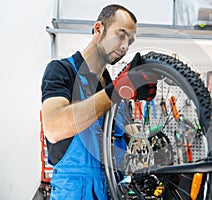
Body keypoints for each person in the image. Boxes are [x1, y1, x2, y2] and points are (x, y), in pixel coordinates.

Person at [41, 4, 158, 199]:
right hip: (75, 192)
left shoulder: (112, 86)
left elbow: (128, 139)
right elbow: (53, 128)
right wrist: (117, 90)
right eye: (121, 35)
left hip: (111, 190)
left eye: (130, 41)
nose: (124, 46)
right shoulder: (62, 71)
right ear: (98, 29)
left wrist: (148, 148)